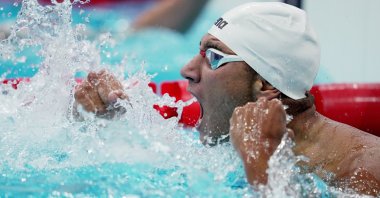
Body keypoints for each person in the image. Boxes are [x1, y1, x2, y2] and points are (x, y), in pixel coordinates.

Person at [73, 2, 380, 196]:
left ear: (266, 86)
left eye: (214, 57)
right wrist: (97, 126)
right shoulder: (230, 145)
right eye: (199, 52)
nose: (188, 70)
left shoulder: (366, 169)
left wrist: (262, 166)